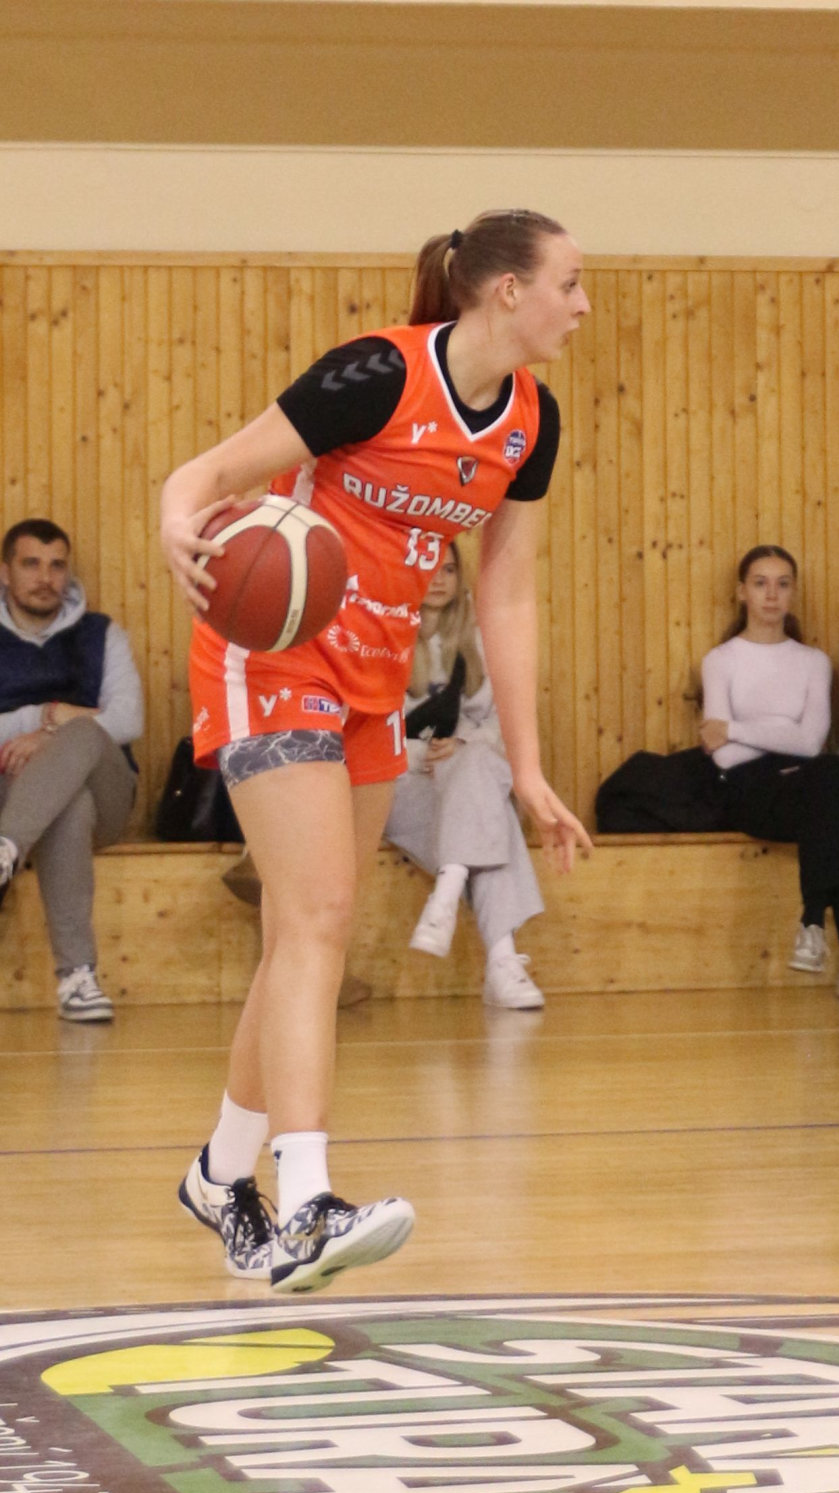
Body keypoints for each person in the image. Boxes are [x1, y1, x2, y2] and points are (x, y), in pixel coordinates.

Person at [159, 209, 593, 1293]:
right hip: (273, 656)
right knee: (314, 918)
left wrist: (527, 765)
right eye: (570, 284)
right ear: (507, 292)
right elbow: (210, 471)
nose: (583, 307)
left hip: (374, 680)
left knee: (309, 933)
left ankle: (221, 1174)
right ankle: (307, 1200)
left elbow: (508, 593)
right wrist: (175, 516)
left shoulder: (530, 422)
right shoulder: (376, 375)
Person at [702, 545, 839, 1002]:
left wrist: (735, 729)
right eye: (761, 583)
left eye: (782, 584)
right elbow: (722, 756)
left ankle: (817, 930)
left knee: (833, 775)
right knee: (838, 792)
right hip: (750, 788)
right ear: (741, 592)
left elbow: (810, 742)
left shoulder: (813, 662)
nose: (772, 594)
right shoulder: (720, 660)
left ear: (793, 592)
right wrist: (776, 734)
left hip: (808, 783)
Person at [387, 540, 547, 1009]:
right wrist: (425, 754)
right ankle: (502, 961)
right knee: (490, 813)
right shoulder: (385, 636)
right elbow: (361, 733)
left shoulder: (478, 639)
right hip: (401, 785)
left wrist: (462, 746)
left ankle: (448, 894)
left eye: (450, 570)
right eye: (430, 568)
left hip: (461, 776)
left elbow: (503, 727)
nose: (439, 580)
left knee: (479, 769)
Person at [0, 518, 143, 1023]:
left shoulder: (103, 634)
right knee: (69, 804)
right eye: (31, 564)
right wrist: (39, 717)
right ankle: (78, 980)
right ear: (5, 571)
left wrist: (54, 730)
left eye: (57, 565)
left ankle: (5, 848)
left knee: (84, 735)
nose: (46, 577)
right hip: (12, 790)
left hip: (108, 795)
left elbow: (128, 720)